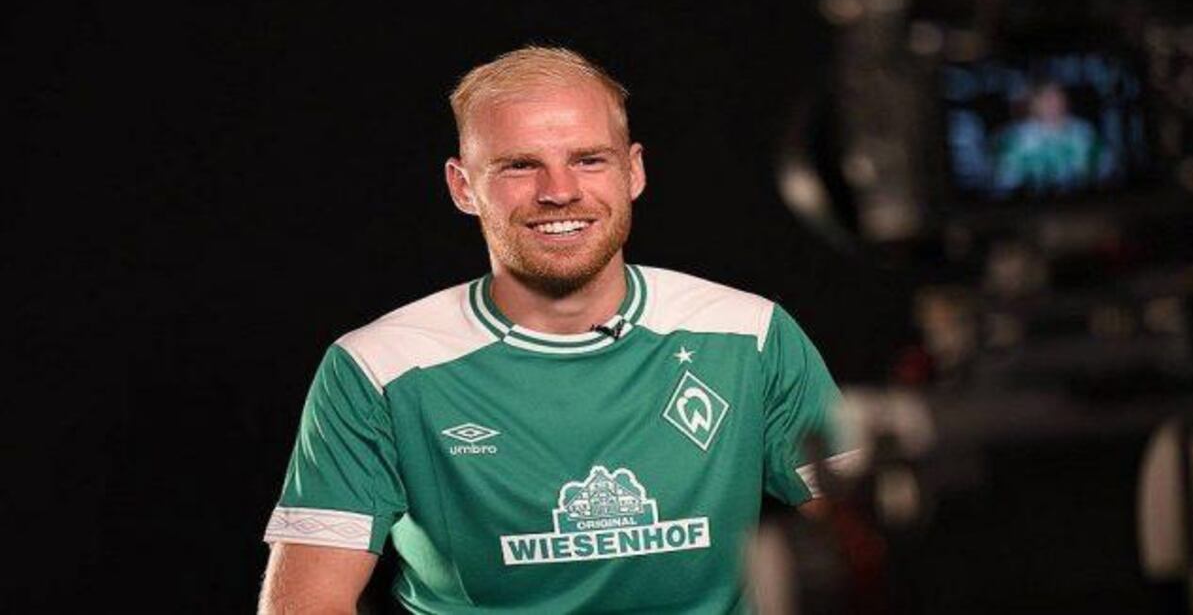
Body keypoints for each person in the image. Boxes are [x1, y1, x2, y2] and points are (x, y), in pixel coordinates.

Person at [259, 46, 857, 613]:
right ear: (463, 186)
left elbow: (867, 545)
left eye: (588, 159)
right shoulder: (380, 366)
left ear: (633, 171)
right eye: (520, 166)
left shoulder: (749, 333)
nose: (559, 192)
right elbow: (307, 602)